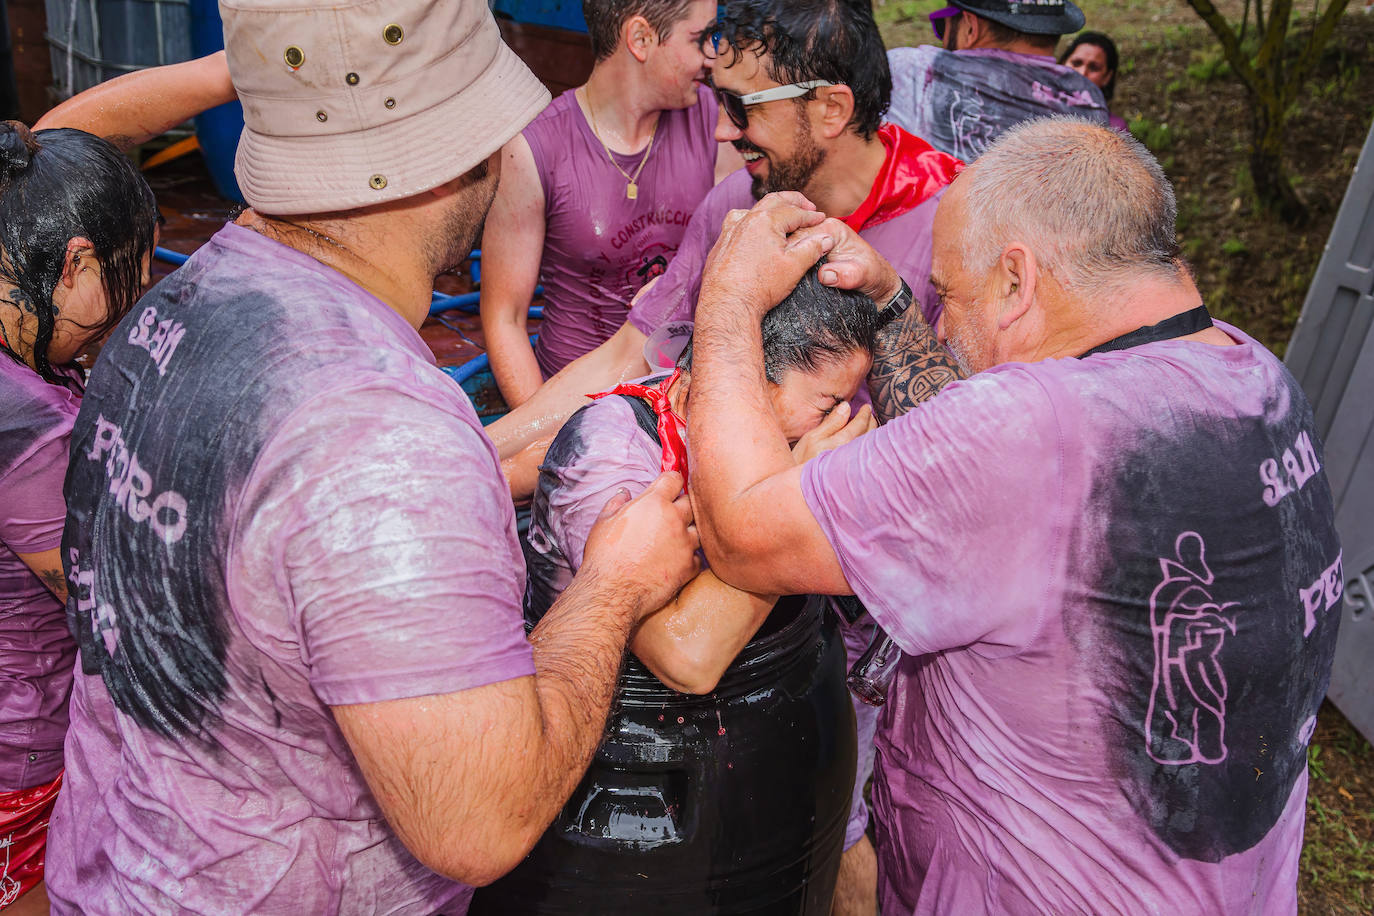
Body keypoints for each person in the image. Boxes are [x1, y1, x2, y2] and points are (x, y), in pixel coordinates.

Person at [45, 2, 699, 914]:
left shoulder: (177, 300)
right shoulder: (387, 441)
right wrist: (614, 586)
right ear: (459, 153)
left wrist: (479, 458)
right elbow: (480, 820)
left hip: (116, 869)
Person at [683, 118, 1341, 913]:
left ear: (1017, 280)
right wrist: (890, 304)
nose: (943, 328)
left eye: (948, 295)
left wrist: (725, 299)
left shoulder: (1033, 428)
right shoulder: (1253, 377)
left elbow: (742, 533)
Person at [489, 3, 965, 910]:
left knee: (864, 838)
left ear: (828, 109)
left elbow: (974, 448)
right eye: (717, 97)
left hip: (882, 625)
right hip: (737, 607)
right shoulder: (735, 208)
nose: (723, 127)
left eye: (744, 105)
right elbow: (633, 360)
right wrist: (473, 455)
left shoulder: (949, 222)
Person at [0, 53, 237, 915]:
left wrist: (234, 70)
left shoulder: (11, 227)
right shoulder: (27, 427)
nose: (119, 323)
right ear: (72, 263)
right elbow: (116, 602)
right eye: (121, 282)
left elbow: (47, 146)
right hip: (16, 757)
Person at [526, 264, 878, 695]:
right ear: (749, 383)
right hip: (632, 727)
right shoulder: (613, 458)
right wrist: (795, 496)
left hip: (770, 698)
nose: (843, 423)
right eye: (829, 406)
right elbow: (684, 658)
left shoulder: (745, 417)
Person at [480, 0, 742, 407]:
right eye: (698, 39)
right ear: (640, 39)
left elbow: (736, 253)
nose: (711, 57)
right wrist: (545, 437)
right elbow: (506, 319)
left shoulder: (714, 121)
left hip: (679, 398)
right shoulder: (535, 148)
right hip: (574, 397)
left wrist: (688, 283)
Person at [886, 0, 1109, 162]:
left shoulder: (912, 72)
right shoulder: (1088, 101)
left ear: (970, 27)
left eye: (942, 26)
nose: (942, 37)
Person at [1061, 31, 1128, 132]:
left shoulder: (1114, 129)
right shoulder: (1035, 108)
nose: (1082, 73)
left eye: (1093, 68)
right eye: (1076, 63)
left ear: (1107, 77)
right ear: (1062, 64)